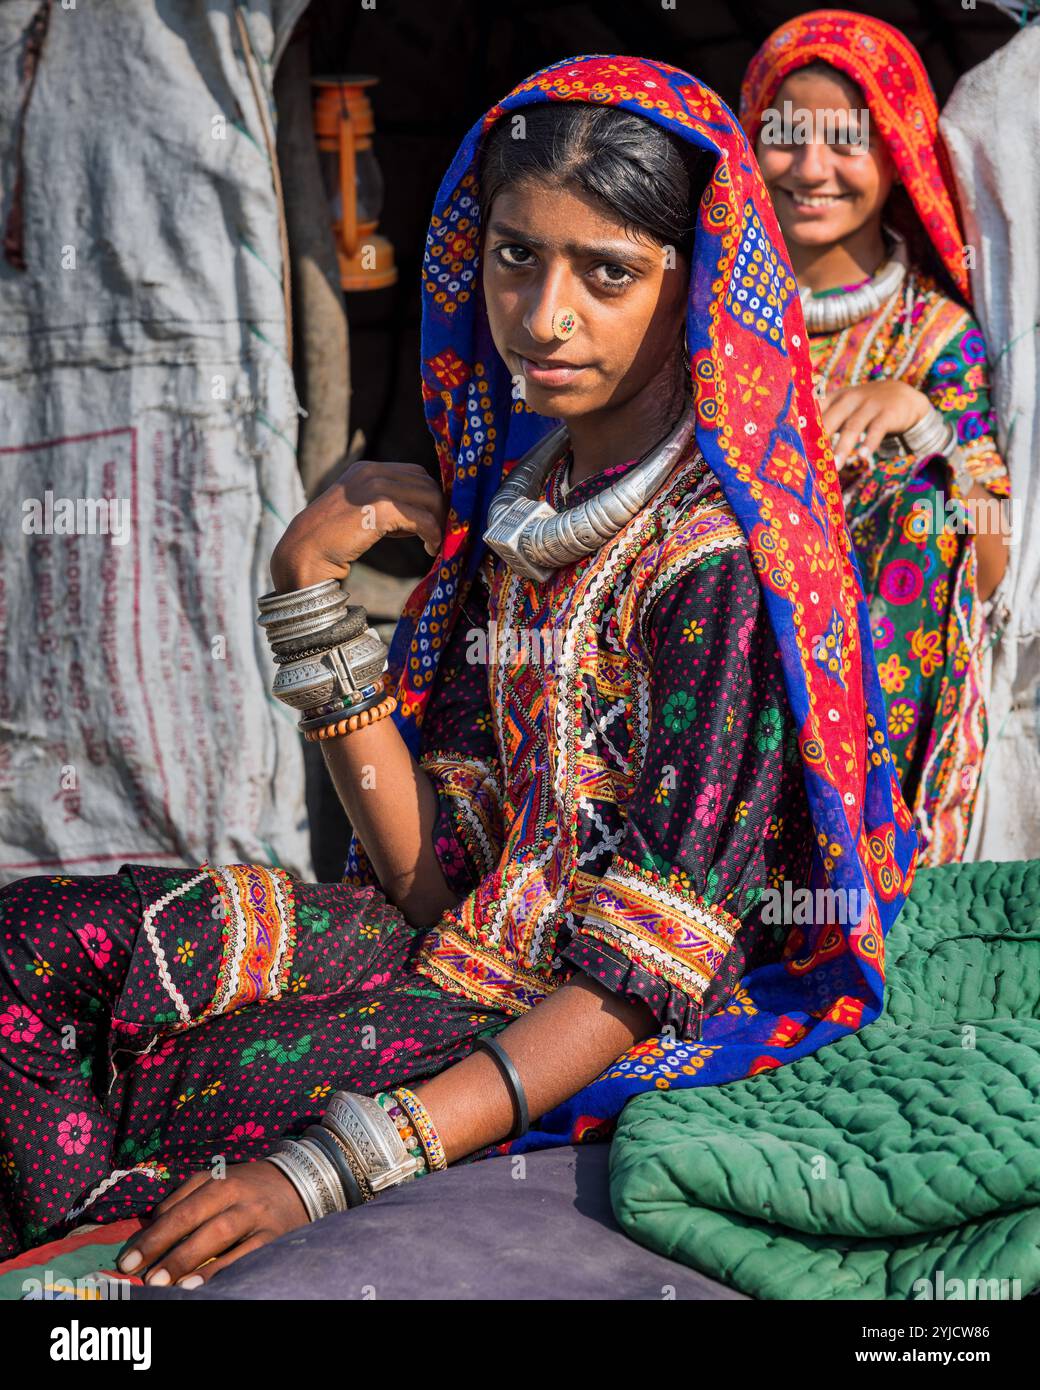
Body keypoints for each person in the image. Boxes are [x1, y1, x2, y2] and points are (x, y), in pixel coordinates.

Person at [0, 54, 915, 1286]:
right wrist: (304, 594)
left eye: (607, 272)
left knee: (188, 1085)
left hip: (585, 1013)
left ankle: (92, 1256)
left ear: (697, 286)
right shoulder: (528, 503)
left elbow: (642, 975)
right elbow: (433, 876)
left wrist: (329, 1166)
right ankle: (92, 1236)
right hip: (458, 940)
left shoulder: (716, 565)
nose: (544, 316)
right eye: (514, 257)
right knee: (29, 944)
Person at [740, 9, 1012, 864]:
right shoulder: (708, 321)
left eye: (847, 141)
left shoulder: (939, 338)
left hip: (882, 734)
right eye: (784, 137)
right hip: (718, 704)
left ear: (897, 155)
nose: (812, 169)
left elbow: (999, 563)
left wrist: (928, 426)